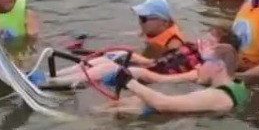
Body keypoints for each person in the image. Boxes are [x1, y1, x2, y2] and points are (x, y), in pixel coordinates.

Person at [41, 26, 240, 89]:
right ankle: (50, 76)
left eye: (211, 43)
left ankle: (56, 84)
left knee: (105, 69)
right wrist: (133, 57)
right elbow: (156, 61)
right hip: (150, 68)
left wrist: (140, 71)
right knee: (105, 60)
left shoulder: (206, 67)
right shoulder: (188, 46)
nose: (204, 42)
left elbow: (178, 78)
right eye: (205, 38)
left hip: (151, 79)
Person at [103, 43, 248, 116]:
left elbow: (163, 104)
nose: (199, 65)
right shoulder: (236, 85)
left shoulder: (217, 96)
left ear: (219, 66)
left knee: (117, 112)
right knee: (130, 102)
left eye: (204, 61)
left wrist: (129, 81)